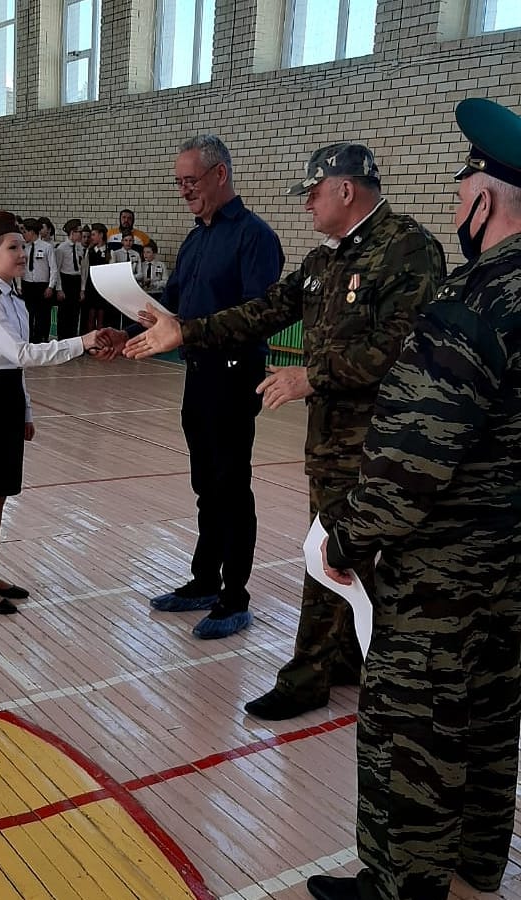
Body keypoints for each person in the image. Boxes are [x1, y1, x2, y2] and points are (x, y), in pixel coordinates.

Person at [304, 97, 521, 900]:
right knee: (491, 722)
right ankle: (474, 873)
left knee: (415, 736)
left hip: (442, 581)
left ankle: (401, 886)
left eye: (463, 190)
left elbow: (408, 465)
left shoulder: (474, 304)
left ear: (483, 200)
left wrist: (344, 539)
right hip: (511, 569)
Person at [125, 142, 445, 678]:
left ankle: (315, 673)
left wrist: (312, 375)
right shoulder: (324, 260)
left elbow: (403, 345)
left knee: (357, 550)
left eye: (314, 193)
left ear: (346, 190)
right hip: (330, 436)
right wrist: (186, 331)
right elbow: (265, 310)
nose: (306, 204)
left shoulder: (407, 248)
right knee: (332, 548)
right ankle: (341, 662)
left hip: (383, 435)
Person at [104, 135, 283, 638]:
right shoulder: (195, 239)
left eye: (191, 181)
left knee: (231, 487)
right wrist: (128, 332)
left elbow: (259, 316)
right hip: (198, 375)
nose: (184, 191)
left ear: (220, 174)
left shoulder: (255, 238)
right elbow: (173, 306)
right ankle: (205, 580)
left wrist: (191, 330)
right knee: (206, 484)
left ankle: (234, 597)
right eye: (179, 182)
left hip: (234, 377)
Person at [0, 211, 104, 614]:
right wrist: (82, 341)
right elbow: (21, 354)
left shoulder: (14, 299)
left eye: (22, 245)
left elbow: (16, 368)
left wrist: (27, 411)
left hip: (6, 397)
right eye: (12, 247)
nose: (22, 253)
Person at [20, 218, 59, 342]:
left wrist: (51, 286)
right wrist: (20, 286)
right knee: (28, 314)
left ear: (32, 232)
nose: (23, 235)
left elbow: (53, 268)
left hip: (42, 285)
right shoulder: (23, 248)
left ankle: (41, 339)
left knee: (42, 315)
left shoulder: (47, 247)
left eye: (25, 232)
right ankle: (29, 339)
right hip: (27, 284)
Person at [55, 218, 84, 338]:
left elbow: (82, 269)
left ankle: (72, 337)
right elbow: (57, 269)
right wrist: (59, 288)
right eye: (79, 232)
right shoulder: (61, 248)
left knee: (75, 312)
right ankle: (62, 337)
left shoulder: (79, 248)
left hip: (76, 280)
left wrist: (82, 289)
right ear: (72, 232)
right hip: (65, 280)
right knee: (64, 313)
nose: (81, 235)